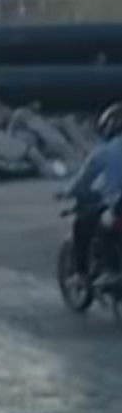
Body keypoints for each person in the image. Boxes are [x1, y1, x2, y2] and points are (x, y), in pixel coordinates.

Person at [67, 102, 122, 282]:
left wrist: (68, 192)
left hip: (118, 204)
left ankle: (97, 271)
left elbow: (84, 179)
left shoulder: (105, 151)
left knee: (84, 222)